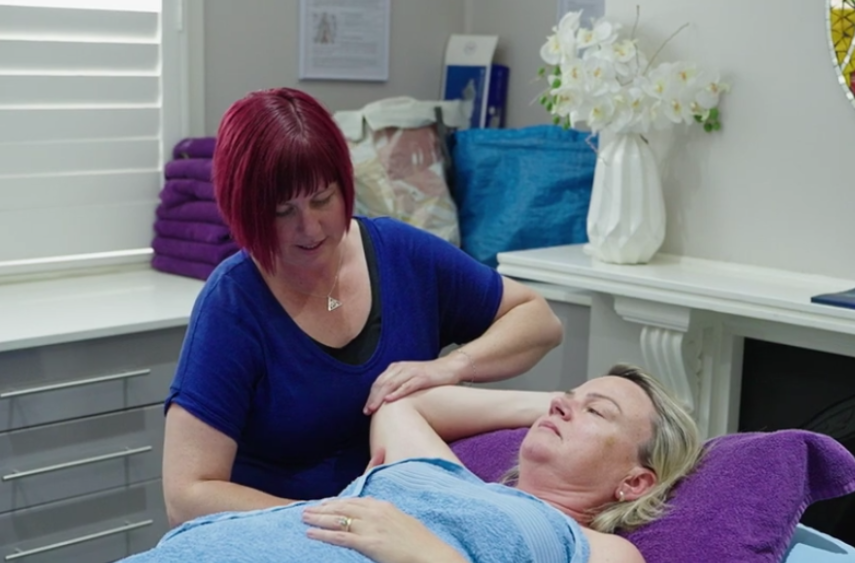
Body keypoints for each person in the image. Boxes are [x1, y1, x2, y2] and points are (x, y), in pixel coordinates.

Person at [163, 87, 564, 525]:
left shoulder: (401, 255)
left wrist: (452, 367)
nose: (310, 227)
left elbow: (538, 320)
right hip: (294, 533)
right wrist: (340, 521)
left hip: (399, 527)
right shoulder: (233, 304)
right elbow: (187, 494)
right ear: (246, 210)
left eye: (322, 199)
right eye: (283, 211)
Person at [109, 364, 706, 563]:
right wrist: (553, 402)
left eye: (596, 411)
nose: (562, 406)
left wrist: (430, 556)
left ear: (635, 481)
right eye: (565, 398)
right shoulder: (444, 473)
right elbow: (402, 404)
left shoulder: (595, 548)